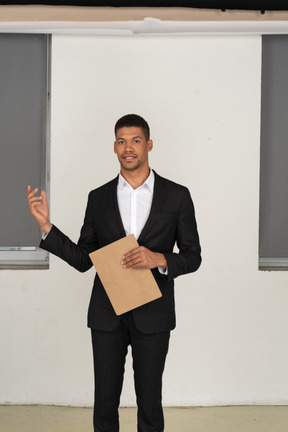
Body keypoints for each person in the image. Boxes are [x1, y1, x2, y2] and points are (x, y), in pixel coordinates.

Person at [27, 113, 201, 432]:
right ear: (114, 147)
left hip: (154, 313)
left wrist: (158, 258)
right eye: (121, 141)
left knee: (150, 402)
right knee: (105, 402)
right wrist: (46, 227)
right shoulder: (99, 197)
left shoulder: (177, 196)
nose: (128, 147)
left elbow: (193, 257)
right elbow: (83, 258)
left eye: (135, 140)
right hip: (107, 313)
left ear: (148, 144)